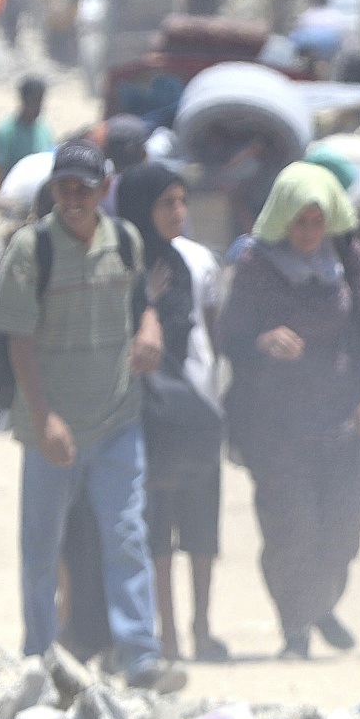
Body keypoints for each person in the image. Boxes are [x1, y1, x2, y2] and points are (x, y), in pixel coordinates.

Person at [0, 140, 182, 692]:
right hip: (52, 428)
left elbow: (139, 300)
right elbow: (19, 342)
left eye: (83, 189)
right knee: (42, 546)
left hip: (118, 418)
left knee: (126, 536)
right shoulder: (32, 250)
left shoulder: (124, 241)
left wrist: (150, 327)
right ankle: (39, 657)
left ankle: (140, 657)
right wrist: (45, 420)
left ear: (103, 191)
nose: (72, 199)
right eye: (63, 188)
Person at [218, 162, 360, 658]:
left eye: (316, 221)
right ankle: (295, 627)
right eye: (299, 222)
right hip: (274, 423)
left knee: (343, 524)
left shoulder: (347, 256)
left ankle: (321, 604)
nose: (307, 232)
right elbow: (230, 334)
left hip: (341, 418)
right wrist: (264, 338)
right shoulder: (257, 264)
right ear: (282, 218)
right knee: (291, 527)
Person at [114, 161, 230, 664]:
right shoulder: (125, 260)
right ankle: (169, 635)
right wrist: (147, 306)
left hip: (192, 407)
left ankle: (201, 629)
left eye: (183, 201)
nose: (179, 212)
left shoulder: (182, 263)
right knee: (157, 530)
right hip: (146, 415)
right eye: (167, 203)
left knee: (202, 526)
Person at [0, 76, 56, 180]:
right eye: (33, 101)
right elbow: (1, 169)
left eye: (39, 101)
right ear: (23, 100)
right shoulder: (6, 130)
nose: (37, 106)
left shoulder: (44, 128)